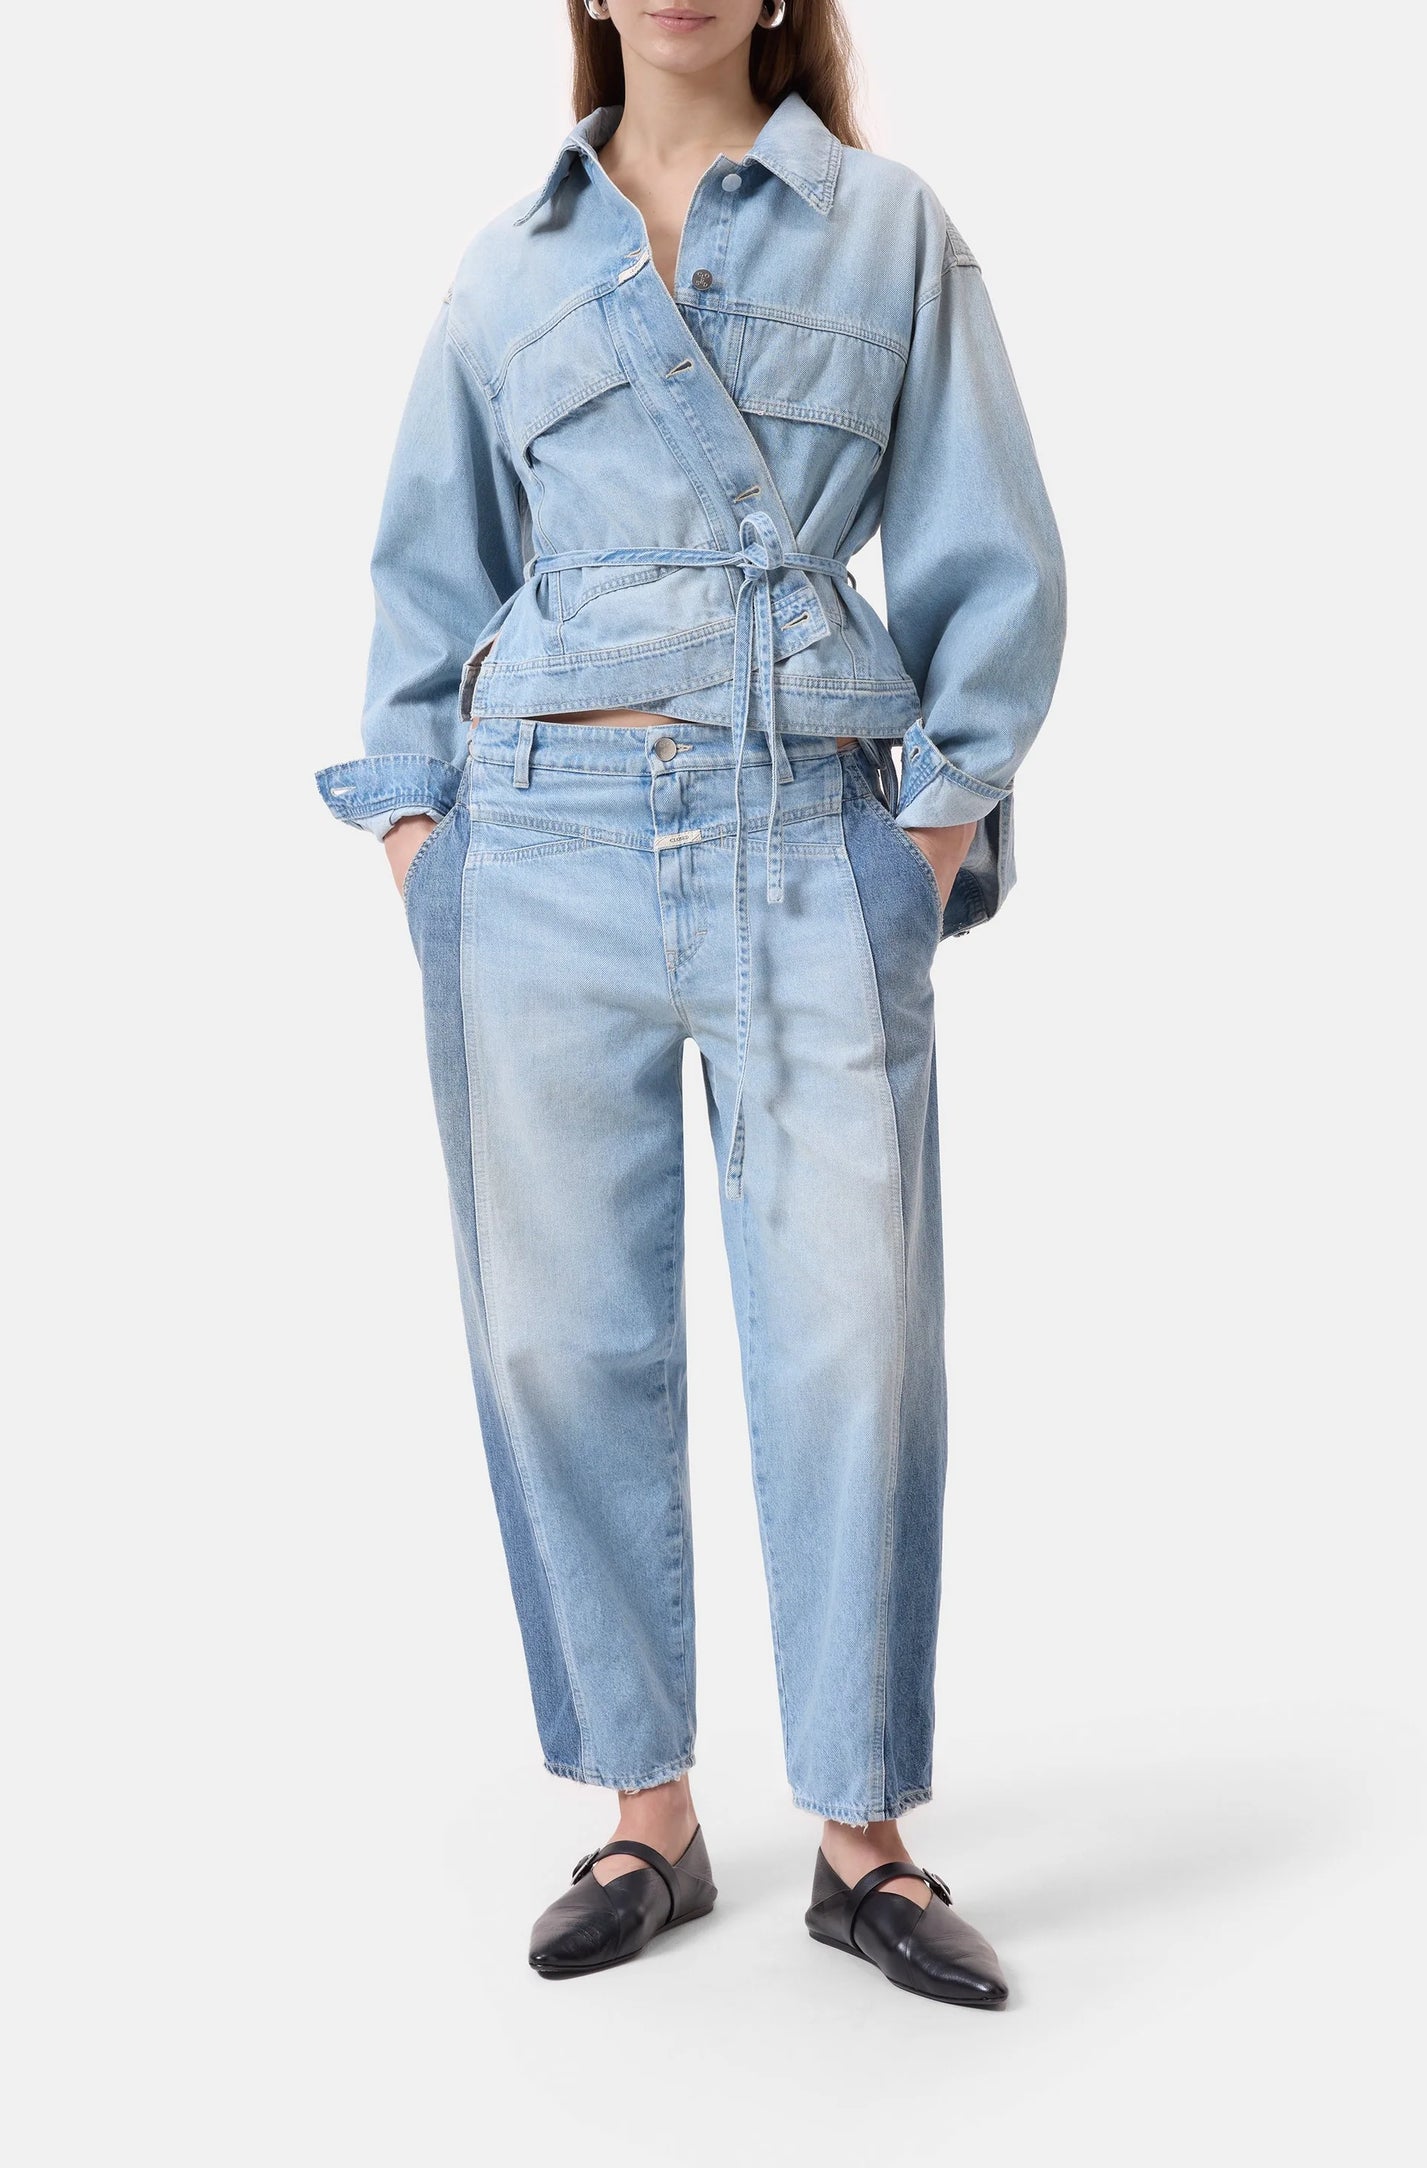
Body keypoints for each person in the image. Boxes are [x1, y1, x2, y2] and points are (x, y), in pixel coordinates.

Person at [315, 0, 1064, 2008]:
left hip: (808, 836)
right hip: (534, 852)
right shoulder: (506, 267)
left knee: (853, 1338)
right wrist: (424, 850)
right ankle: (646, 1812)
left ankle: (861, 1837)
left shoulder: (887, 229)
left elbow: (992, 557)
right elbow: (424, 588)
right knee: (557, 1336)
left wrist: (921, 843)